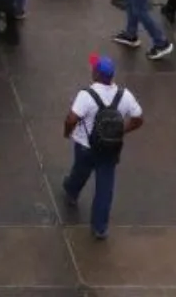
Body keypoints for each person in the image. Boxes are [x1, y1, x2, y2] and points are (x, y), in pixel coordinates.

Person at [62, 55, 144, 240]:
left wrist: (67, 133)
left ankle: (71, 192)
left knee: (80, 171)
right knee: (105, 188)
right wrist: (121, 130)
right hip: (110, 148)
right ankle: (100, 228)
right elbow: (138, 118)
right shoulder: (125, 96)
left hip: (85, 146)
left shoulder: (86, 95)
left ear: (97, 74)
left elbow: (71, 119)